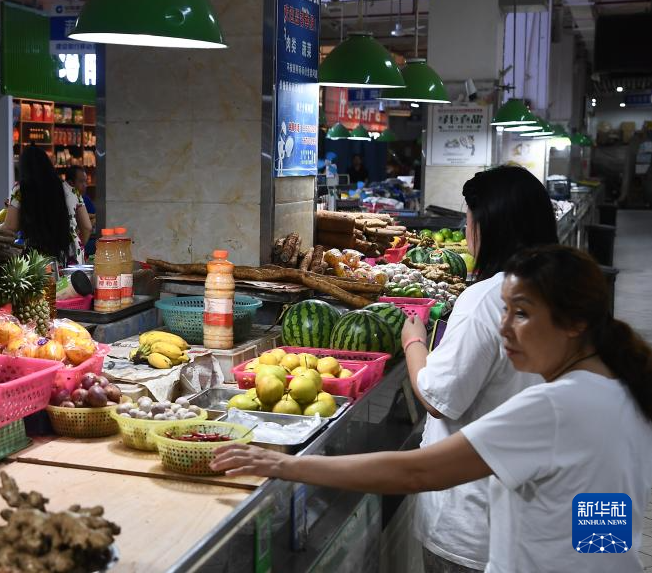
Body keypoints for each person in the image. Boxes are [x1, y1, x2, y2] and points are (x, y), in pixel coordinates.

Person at [212, 245, 652, 573]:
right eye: (504, 311)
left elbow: (416, 473)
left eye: (521, 313)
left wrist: (283, 466)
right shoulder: (622, 387)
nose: (503, 329)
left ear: (576, 323)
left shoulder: (554, 407)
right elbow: (603, 511)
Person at [394, 165, 559, 571]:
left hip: (473, 522)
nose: (466, 232)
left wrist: (413, 340)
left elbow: (439, 398)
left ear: (490, 226)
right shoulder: (563, 290)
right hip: (534, 514)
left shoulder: (488, 299)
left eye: (468, 219)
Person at [0, 146, 91, 265]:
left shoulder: (21, 190)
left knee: (47, 284)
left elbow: (10, 227)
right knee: (71, 284)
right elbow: (87, 227)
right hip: (71, 257)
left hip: (38, 259)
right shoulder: (70, 189)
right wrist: (78, 245)